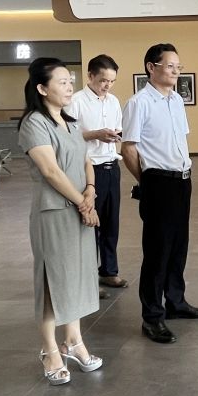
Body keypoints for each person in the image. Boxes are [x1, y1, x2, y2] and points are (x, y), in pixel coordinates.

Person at [18, 57, 103, 385]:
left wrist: (90, 190)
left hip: (80, 208)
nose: (70, 87)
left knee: (76, 277)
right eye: (63, 82)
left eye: (70, 81)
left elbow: (85, 160)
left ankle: (74, 342)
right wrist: (83, 202)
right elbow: (51, 171)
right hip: (54, 212)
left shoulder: (70, 121)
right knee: (52, 280)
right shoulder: (34, 123)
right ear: (42, 88)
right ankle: (50, 350)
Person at [122, 43, 198, 344]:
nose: (176, 71)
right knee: (157, 251)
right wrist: (146, 181)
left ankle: (176, 302)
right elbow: (128, 148)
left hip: (182, 180)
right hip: (158, 181)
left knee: (178, 246)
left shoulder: (176, 100)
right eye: (170, 66)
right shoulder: (139, 103)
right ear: (151, 67)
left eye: (178, 67)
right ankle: (152, 317)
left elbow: (180, 140)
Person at [66, 55, 127, 301]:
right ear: (90, 76)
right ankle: (88, 277)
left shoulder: (113, 101)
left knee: (111, 222)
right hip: (89, 169)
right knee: (90, 224)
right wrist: (95, 134)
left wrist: (115, 134)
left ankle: (109, 271)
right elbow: (67, 136)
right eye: (103, 80)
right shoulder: (76, 102)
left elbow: (118, 127)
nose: (107, 85)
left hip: (112, 165)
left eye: (111, 81)